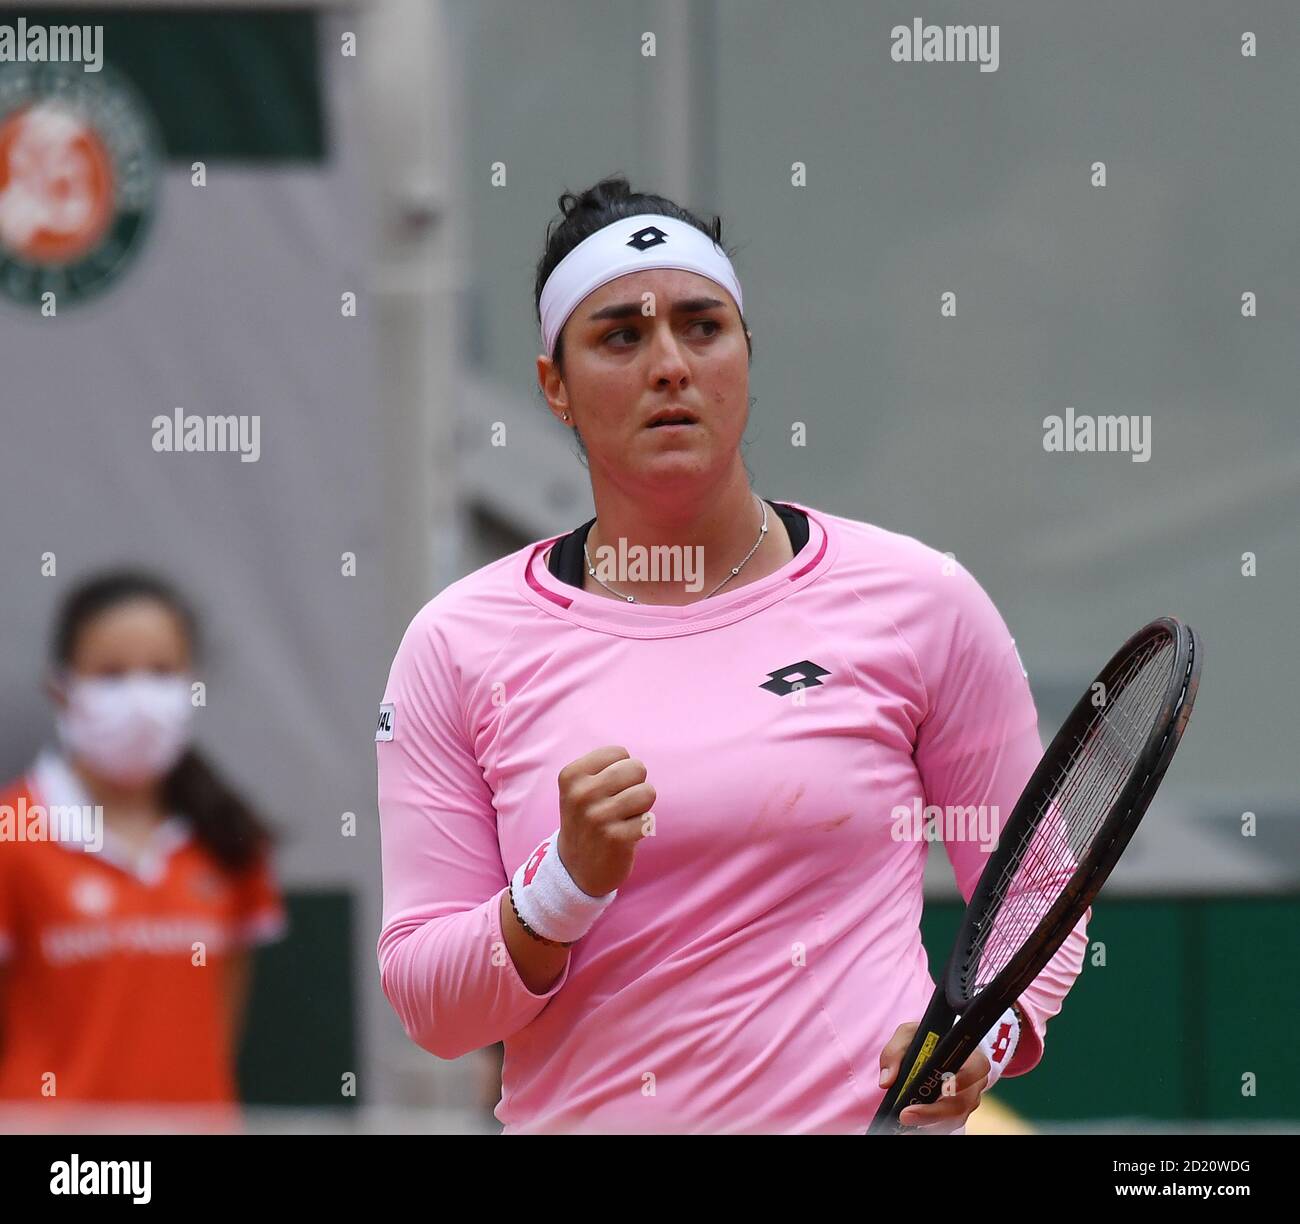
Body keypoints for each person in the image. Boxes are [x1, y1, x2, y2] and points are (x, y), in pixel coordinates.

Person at [375, 175, 1090, 1134]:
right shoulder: (454, 645)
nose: (669, 363)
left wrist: (976, 1043)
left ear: (746, 355)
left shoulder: (925, 603)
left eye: (702, 326)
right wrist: (560, 887)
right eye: (620, 336)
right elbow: (431, 1006)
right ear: (555, 387)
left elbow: (1035, 882)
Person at [0, 569, 287, 1113]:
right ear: (61, 688)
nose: (138, 697)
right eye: (110, 673)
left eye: (161, 671)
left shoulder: (228, 834)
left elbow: (226, 1009)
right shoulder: (12, 832)